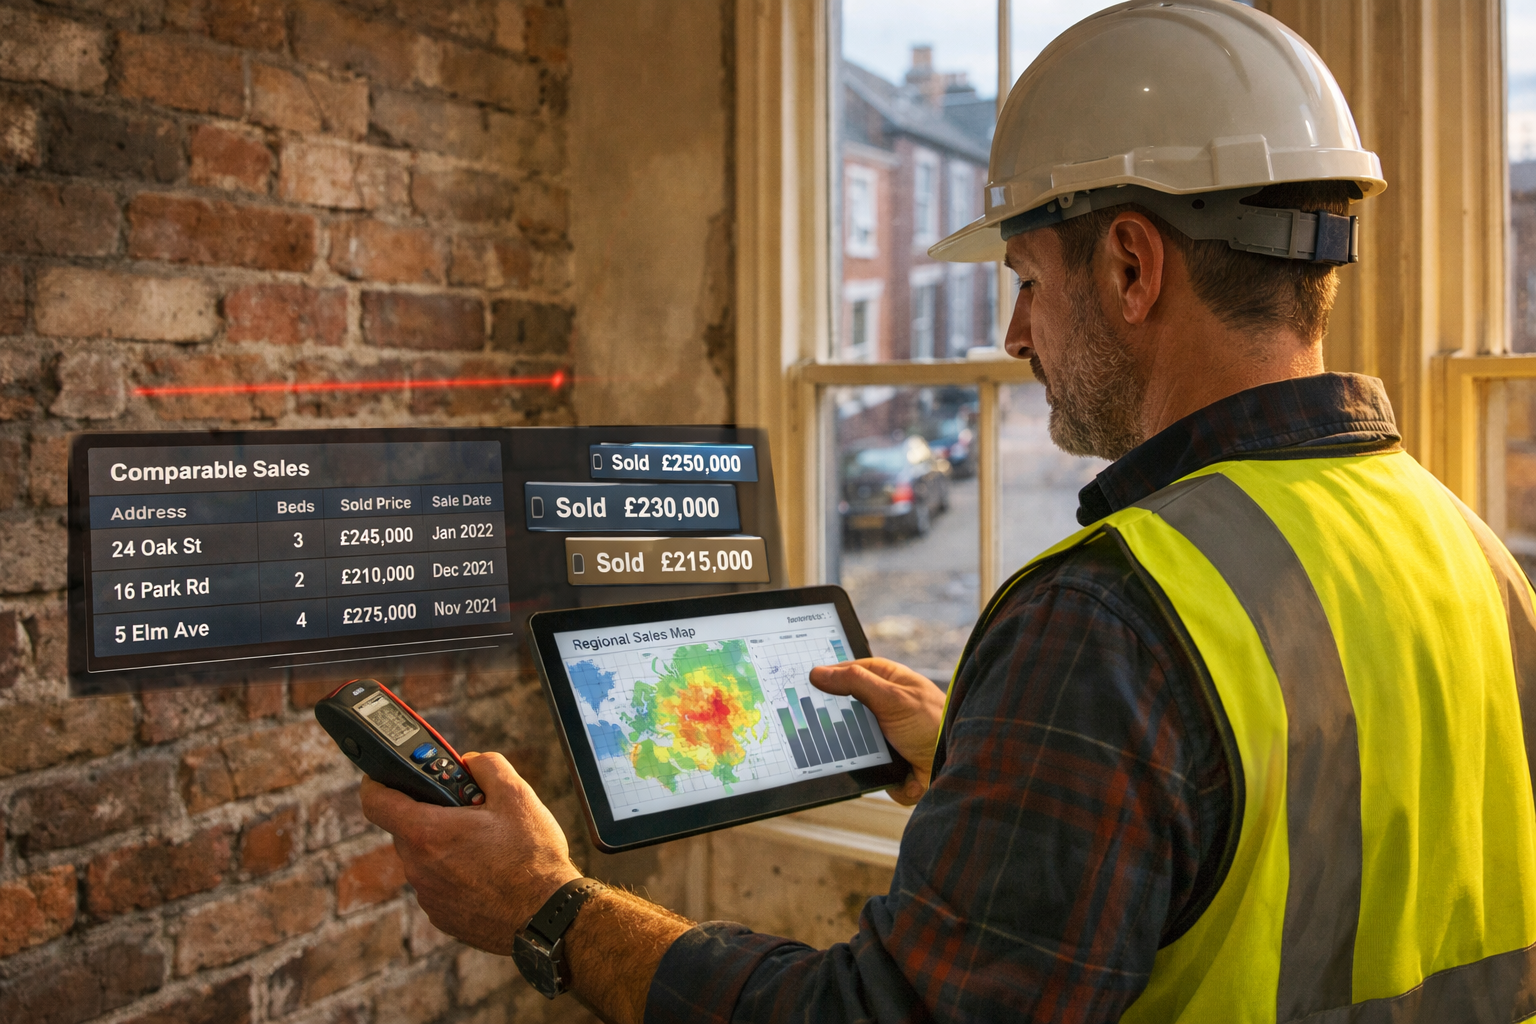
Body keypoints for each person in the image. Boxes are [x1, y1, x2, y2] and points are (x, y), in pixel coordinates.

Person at [361, 2, 1536, 1020]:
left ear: (1132, 267)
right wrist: (988, 750)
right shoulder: (1472, 551)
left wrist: (546, 905)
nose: (1016, 334)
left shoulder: (1112, 623)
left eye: (1027, 281)